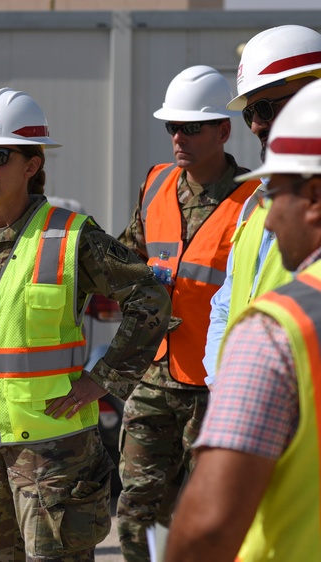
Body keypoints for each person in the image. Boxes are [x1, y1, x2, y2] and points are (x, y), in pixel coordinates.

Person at [0, 87, 171, 560]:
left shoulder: (73, 236)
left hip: (56, 454)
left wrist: (103, 381)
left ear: (31, 165)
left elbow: (151, 298)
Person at [165, 79, 321, 562]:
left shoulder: (278, 331)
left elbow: (209, 527)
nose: (269, 219)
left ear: (314, 197)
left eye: (275, 194)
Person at [114, 65, 259, 561]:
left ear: (223, 130)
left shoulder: (254, 198)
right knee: (137, 509)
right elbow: (126, 256)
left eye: (191, 127)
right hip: (154, 375)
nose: (179, 137)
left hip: (217, 383)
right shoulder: (155, 184)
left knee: (211, 513)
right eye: (172, 127)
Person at [203, 25, 321, 386]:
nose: (255, 125)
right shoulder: (255, 203)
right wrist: (225, 385)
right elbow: (226, 305)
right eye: (249, 112)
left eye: (266, 107)